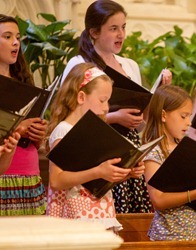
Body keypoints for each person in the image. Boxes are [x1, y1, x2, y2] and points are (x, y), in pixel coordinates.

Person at [61, 0, 171, 214]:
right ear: (94, 32)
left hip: (128, 151)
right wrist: (114, 117)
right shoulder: (79, 64)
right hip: (96, 152)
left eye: (123, 27)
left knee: (132, 221)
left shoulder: (130, 66)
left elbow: (141, 121)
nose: (121, 34)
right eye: (113, 28)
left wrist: (158, 96)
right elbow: (67, 119)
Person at [45, 63, 144, 231]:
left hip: (99, 211)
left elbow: (98, 178)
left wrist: (125, 172)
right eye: (102, 100)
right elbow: (56, 180)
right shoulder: (64, 130)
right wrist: (99, 171)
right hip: (75, 217)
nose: (106, 107)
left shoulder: (96, 131)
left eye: (108, 101)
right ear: (81, 97)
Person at [142, 84, 196, 240]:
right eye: (183, 116)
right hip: (169, 236)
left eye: (189, 116)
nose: (189, 122)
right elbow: (158, 199)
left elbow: (193, 199)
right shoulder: (154, 152)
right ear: (163, 115)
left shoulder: (186, 149)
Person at [0, 14, 48, 216]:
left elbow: (37, 142)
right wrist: (19, 128)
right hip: (4, 174)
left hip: (30, 173)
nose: (15, 42)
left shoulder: (23, 81)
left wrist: (39, 133)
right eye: (7, 36)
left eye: (18, 37)